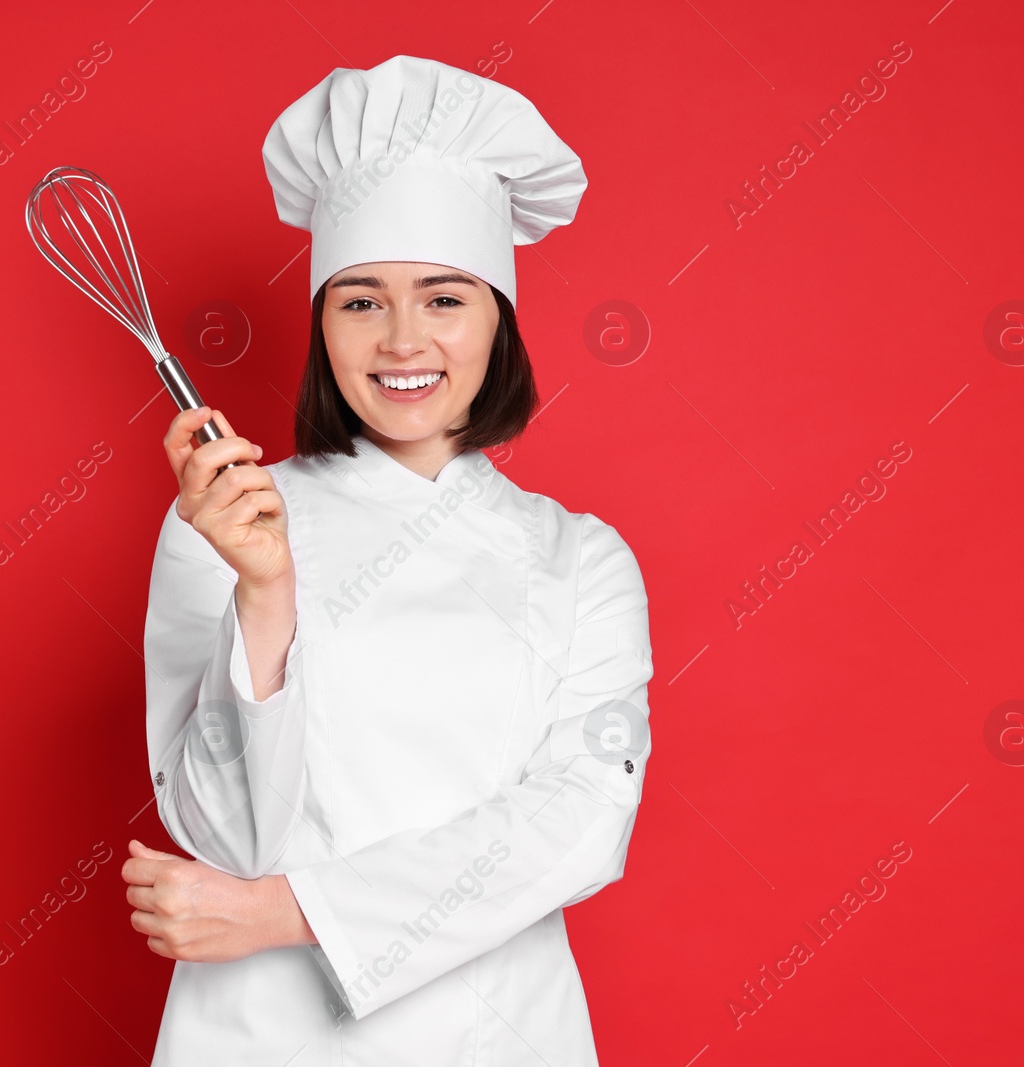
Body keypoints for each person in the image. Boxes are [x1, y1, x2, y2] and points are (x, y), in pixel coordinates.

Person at [124, 54, 653, 1065]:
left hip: (498, 1028)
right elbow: (223, 836)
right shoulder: (226, 522)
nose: (402, 338)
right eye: (359, 300)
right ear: (322, 323)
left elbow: (580, 822)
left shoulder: (582, 559)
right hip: (262, 1035)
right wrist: (266, 588)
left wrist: (285, 914)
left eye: (444, 298)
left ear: (499, 318)